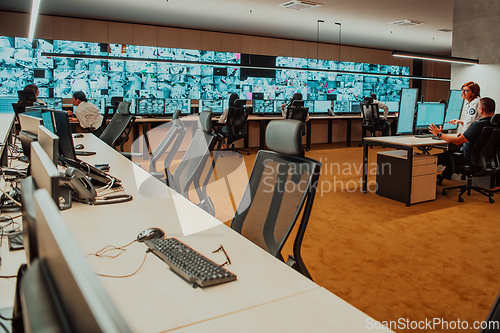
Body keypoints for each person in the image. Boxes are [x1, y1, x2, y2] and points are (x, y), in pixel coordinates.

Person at [429, 97, 495, 185]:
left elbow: (457, 141)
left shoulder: (477, 125)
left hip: (468, 159)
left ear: (481, 110)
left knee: (436, 158)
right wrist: (465, 135)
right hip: (488, 160)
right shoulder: (495, 125)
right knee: (453, 153)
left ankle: (425, 184)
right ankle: (440, 178)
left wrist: (439, 134)